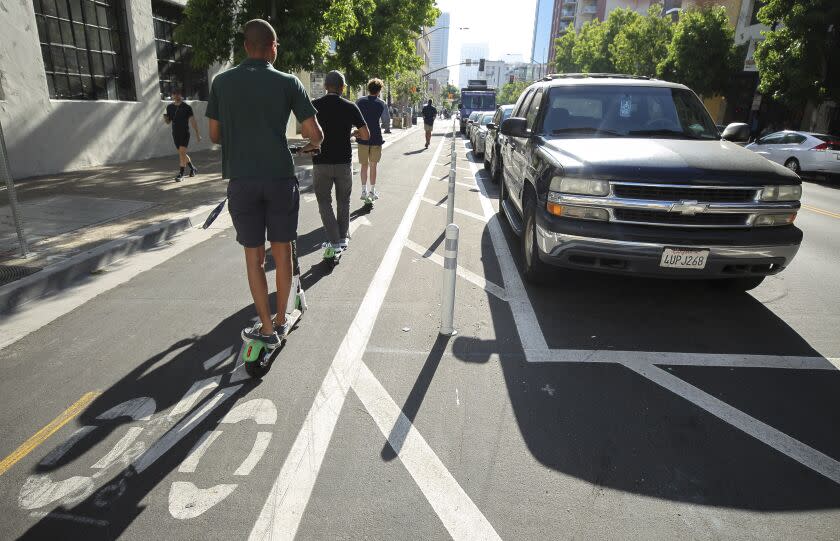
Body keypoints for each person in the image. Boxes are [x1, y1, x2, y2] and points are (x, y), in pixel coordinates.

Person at [206, 19, 323, 349]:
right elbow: (315, 134)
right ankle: (282, 319)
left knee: (254, 258)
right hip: (280, 180)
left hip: (242, 180)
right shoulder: (288, 83)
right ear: (273, 48)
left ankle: (266, 329)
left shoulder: (222, 82)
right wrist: (311, 145)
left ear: (245, 46)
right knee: (283, 253)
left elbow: (215, 135)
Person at [312, 71, 369, 256]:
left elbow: (307, 133)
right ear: (343, 87)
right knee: (343, 201)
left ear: (325, 86)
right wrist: (353, 133)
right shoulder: (350, 106)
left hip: (321, 162)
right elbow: (366, 134)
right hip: (344, 162)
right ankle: (342, 238)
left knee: (323, 202)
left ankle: (334, 240)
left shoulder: (314, 106)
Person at [356, 78, 390, 201]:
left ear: (368, 88)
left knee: (364, 165)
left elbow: (353, 118)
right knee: (373, 165)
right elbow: (386, 122)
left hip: (362, 137)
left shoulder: (359, 101)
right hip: (376, 138)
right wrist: (382, 126)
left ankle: (363, 191)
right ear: (379, 90)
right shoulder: (382, 103)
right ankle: (372, 191)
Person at [163, 87, 201, 181]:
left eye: (178, 93)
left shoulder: (187, 107)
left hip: (184, 133)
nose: (176, 95)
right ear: (172, 95)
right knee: (182, 153)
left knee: (182, 153)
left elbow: (193, 121)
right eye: (174, 93)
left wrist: (197, 134)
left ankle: (181, 174)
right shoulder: (169, 107)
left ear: (181, 95)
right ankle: (193, 168)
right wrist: (166, 119)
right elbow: (168, 122)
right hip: (175, 133)